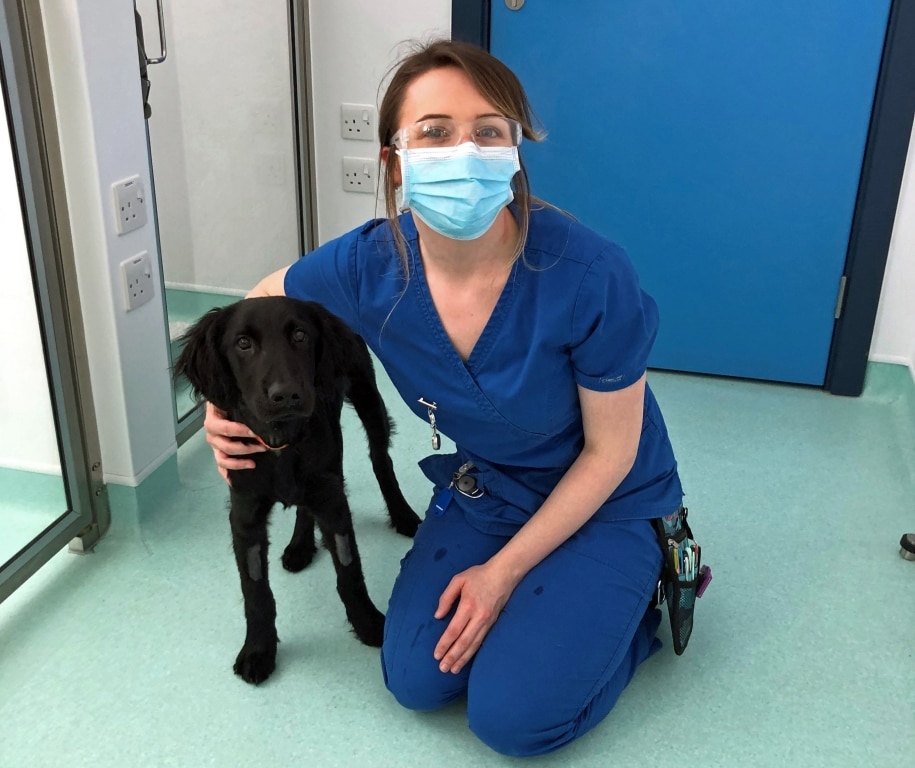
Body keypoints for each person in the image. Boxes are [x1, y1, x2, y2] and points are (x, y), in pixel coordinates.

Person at [204, 38, 684, 757]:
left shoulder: (586, 275)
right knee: (414, 679)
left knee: (512, 721)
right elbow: (261, 299)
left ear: (515, 151)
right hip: (491, 484)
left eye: (488, 131)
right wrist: (223, 409)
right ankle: (548, 604)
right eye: (434, 132)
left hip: (606, 493)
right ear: (395, 163)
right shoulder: (368, 265)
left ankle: (646, 589)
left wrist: (501, 576)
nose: (464, 151)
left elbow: (611, 451)